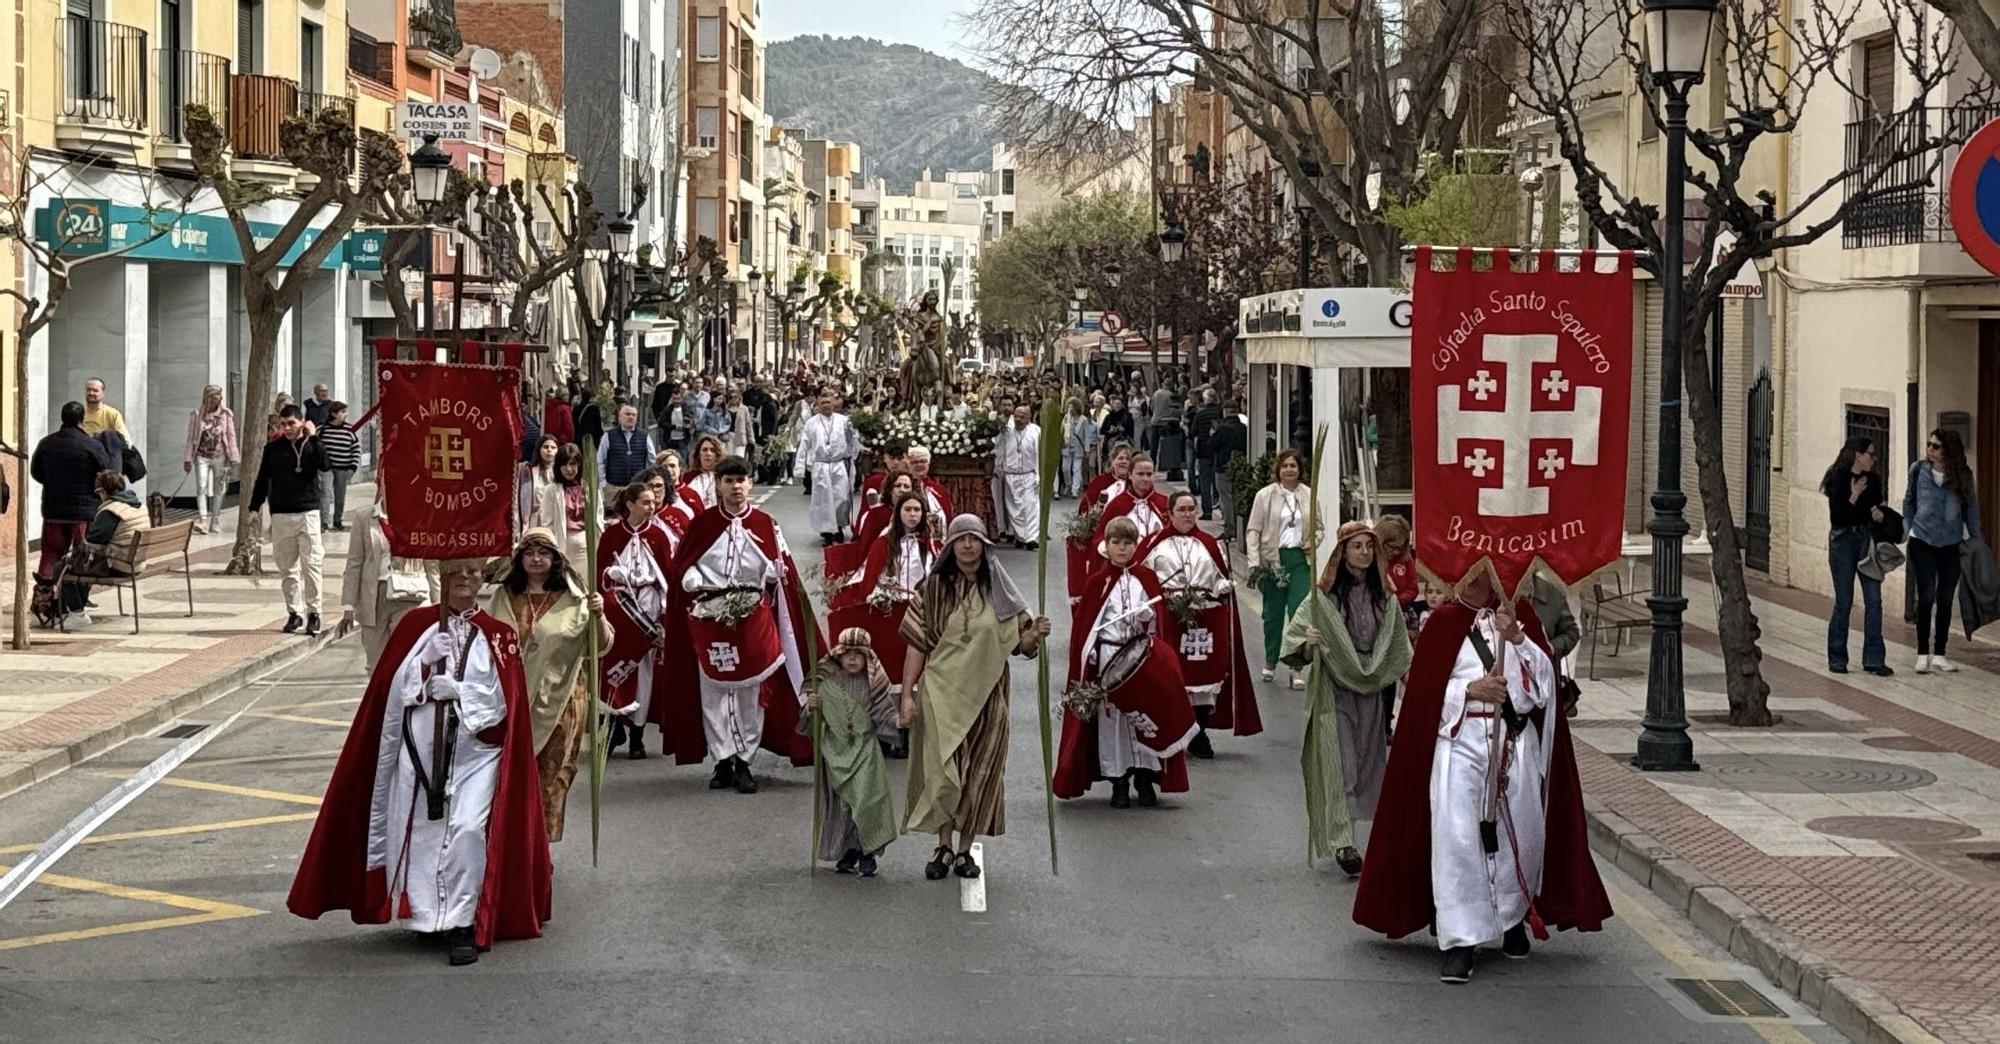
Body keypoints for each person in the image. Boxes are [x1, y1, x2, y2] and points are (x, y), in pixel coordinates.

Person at [287, 557, 553, 967]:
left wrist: (461, 693)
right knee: (424, 834)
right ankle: (431, 916)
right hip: (420, 754)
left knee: (465, 830)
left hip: (477, 756)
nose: (465, 580)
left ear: (483, 577)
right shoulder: (415, 626)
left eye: (472, 573)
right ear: (441, 579)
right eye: (456, 574)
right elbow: (389, 691)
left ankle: (463, 922)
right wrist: (423, 669)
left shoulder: (500, 635)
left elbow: (507, 707)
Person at [1354, 570, 1610, 984]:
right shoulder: (1443, 623)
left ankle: (1512, 919)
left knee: (1519, 838)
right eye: (1466, 575)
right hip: (1459, 746)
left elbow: (1547, 686)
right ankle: (1461, 939)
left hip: (1514, 746)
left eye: (1482, 575)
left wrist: (1519, 640)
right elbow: (1421, 696)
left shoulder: (1520, 616)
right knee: (1458, 841)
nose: (1472, 583)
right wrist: (1469, 691)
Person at [900, 514, 1050, 879]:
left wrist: (1036, 634)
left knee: (979, 772)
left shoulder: (1001, 590)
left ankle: (966, 849)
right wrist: (907, 694)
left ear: (985, 545)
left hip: (988, 695)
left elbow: (1021, 645)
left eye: (974, 539)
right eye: (961, 540)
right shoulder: (932, 588)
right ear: (950, 546)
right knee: (942, 772)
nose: (968, 546)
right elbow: (917, 646)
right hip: (940, 694)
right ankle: (943, 846)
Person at [662, 455, 819, 792]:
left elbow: (779, 570)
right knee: (714, 691)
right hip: (710, 618)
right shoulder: (702, 525)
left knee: (750, 691)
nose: (736, 487)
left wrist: (775, 574)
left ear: (750, 483)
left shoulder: (765, 524)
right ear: (718, 485)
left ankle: (744, 760)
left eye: (741, 480)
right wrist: (692, 579)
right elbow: (685, 567)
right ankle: (721, 760)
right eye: (729, 481)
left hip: (752, 617)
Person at [1282, 521, 1412, 875]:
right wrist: (1307, 644)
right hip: (1334, 689)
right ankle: (1343, 842)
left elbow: (1399, 645)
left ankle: (1369, 835)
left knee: (1370, 761)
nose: (1364, 553)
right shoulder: (1322, 597)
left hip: (1371, 690)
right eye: (1357, 547)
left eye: (1369, 548)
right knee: (1342, 761)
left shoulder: (1384, 597)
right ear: (1343, 552)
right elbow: (1292, 643)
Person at [1056, 516, 1198, 809]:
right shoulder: (1097, 583)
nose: (1122, 549)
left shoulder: (1147, 579)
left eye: (1128, 543)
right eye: (1116, 543)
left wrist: (1149, 623)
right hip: (1109, 660)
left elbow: (1160, 626)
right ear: (1106, 546)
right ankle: (1119, 782)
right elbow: (1086, 629)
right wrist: (1092, 658)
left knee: (1144, 719)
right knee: (1114, 723)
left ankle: (1146, 779)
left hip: (1141, 661)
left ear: (1136, 546)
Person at [485, 527, 611, 841]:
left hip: (560, 703)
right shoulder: (504, 597)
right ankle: (513, 845)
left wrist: (600, 616)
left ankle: (540, 849)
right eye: (529, 553)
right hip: (511, 701)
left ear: (556, 560)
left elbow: (599, 647)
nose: (537, 559)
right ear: (519, 559)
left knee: (551, 777)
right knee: (511, 777)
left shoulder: (576, 599)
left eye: (544, 553)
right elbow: (487, 643)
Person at [1138, 491, 1262, 759]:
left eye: (1191, 509)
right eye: (1181, 509)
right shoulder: (1154, 544)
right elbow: (1141, 579)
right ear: (1169, 513)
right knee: (1174, 677)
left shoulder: (1209, 543)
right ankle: (1178, 731)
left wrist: (1222, 587)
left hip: (1205, 621)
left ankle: (1199, 731)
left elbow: (1218, 576)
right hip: (1171, 620)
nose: (1186, 514)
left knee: (1205, 679)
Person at [830, 488, 936, 760]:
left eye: (917, 510)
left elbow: (937, 579)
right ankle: (887, 730)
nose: (912, 515)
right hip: (890, 614)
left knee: (912, 677)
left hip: (918, 615)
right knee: (889, 678)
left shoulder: (930, 544)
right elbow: (868, 574)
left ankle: (907, 731)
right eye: (907, 510)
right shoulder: (884, 543)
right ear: (898, 513)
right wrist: (876, 597)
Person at [803, 627, 901, 877]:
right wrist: (810, 708)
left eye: (859, 654)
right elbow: (809, 725)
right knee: (843, 805)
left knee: (867, 801)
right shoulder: (825, 684)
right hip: (834, 753)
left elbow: (885, 714)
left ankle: (867, 853)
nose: (853, 659)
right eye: (848, 654)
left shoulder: (875, 683)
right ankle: (848, 851)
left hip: (865, 751)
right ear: (838, 656)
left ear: (868, 658)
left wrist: (902, 722)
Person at [597, 480, 673, 760]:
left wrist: (664, 616)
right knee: (613, 667)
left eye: (654, 502)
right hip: (618, 608)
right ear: (630, 505)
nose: (651, 507)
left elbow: (667, 579)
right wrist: (610, 576)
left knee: (643, 671)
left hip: (648, 608)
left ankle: (638, 735)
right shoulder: (612, 536)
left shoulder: (659, 537)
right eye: (645, 502)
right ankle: (614, 724)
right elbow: (599, 576)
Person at [1904, 428, 1981, 674]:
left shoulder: (1963, 475)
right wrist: (1908, 526)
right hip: (1921, 540)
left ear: (1948, 450)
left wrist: (1975, 538)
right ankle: (1922, 653)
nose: (1930, 449)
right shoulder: (1918, 470)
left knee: (1945, 599)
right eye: (1929, 444)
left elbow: (1970, 507)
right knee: (1926, 596)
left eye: (1935, 446)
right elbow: (1909, 501)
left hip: (1950, 542)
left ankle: (1940, 654)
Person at [249, 404, 327, 636]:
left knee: (311, 564)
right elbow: (263, 478)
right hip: (281, 513)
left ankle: (314, 613)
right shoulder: (273, 448)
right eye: (283, 424)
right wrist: (254, 508)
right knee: (288, 567)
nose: (288, 428)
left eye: (292, 423)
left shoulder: (312, 445)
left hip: (308, 512)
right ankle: (295, 613)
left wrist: (313, 438)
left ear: (302, 422)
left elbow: (325, 464)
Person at [1821, 437, 1889, 676]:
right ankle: (1837, 657)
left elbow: (1877, 510)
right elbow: (1839, 517)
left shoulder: (1874, 480)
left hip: (1866, 541)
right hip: (1843, 541)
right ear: (1857, 455)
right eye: (1870, 454)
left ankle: (1874, 658)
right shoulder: (1838, 478)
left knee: (1874, 600)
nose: (1873, 458)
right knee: (1844, 600)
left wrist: (1880, 515)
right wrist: (1853, 495)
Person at [1247, 449, 1314, 688]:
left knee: (1299, 614)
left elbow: (1320, 527)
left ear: (1299, 470)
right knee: (1273, 615)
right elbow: (1253, 530)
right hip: (1273, 560)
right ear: (1278, 469)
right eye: (1285, 465)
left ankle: (1296, 667)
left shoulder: (1308, 494)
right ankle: (1271, 659)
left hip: (1299, 561)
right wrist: (1254, 563)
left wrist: (1312, 541)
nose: (1289, 470)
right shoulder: (1265, 495)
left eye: (1293, 466)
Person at [30, 401, 115, 584]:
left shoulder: (47, 443)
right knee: (82, 555)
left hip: (54, 511)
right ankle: (76, 599)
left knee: (51, 553)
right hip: (83, 513)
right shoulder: (91, 445)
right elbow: (107, 471)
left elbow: (36, 471)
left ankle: (45, 593)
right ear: (82, 420)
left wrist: (52, 483)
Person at [340, 488, 426, 663]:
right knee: (375, 662)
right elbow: (354, 563)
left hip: (409, 594)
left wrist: (437, 605)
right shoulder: (364, 517)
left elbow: (431, 564)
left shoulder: (418, 515)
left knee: (404, 660)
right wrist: (348, 606)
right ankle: (379, 691)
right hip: (373, 597)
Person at [798, 390, 861, 544]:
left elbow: (853, 439)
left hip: (838, 464)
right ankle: (827, 531)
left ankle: (838, 527)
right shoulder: (811, 423)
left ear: (834, 405)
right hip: (820, 465)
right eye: (823, 403)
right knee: (823, 500)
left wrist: (853, 454)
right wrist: (800, 467)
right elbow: (804, 444)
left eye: (829, 403)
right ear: (818, 405)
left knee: (841, 497)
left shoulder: (844, 421)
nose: (826, 406)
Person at [181, 384, 240, 535]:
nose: (216, 401)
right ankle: (203, 519)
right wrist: (188, 458)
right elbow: (190, 438)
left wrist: (234, 457)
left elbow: (231, 436)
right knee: (201, 486)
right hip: (201, 455)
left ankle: (215, 520)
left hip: (220, 456)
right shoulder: (196, 415)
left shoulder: (226, 415)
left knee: (219, 489)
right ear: (206, 398)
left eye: (218, 398)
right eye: (213, 398)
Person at [1091, 452, 1169, 552]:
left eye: (1149, 474)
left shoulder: (1163, 502)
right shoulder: (1118, 504)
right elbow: (1101, 536)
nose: (1145, 478)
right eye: (1140, 474)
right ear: (1130, 475)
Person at [995, 403, 1043, 549]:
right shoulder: (1006, 431)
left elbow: (1040, 455)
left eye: (1022, 417)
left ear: (1029, 417)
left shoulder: (1036, 432)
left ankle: (1031, 538)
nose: (1018, 419)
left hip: (1029, 474)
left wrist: (1039, 474)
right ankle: (1020, 536)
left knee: (1031, 505)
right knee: (1014, 508)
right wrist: (998, 468)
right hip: (1011, 475)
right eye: (1016, 416)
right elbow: (1000, 450)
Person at [318, 402, 359, 531]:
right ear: (334, 414)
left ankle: (337, 520)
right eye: (342, 412)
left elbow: (356, 449)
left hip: (343, 468)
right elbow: (316, 447)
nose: (345, 414)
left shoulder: (350, 429)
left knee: (340, 495)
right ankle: (324, 521)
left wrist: (353, 467)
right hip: (327, 468)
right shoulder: (323, 430)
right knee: (326, 493)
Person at [597, 404, 655, 494]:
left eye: (634, 415)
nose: (631, 417)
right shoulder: (609, 436)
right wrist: (603, 483)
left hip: (637, 488)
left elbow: (652, 461)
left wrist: (648, 482)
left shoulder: (644, 436)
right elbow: (600, 461)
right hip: (614, 487)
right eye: (627, 414)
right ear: (620, 417)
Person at [1208, 405, 1247, 540]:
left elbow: (1211, 445)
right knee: (1236, 497)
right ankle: (1239, 527)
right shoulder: (1244, 428)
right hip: (1240, 466)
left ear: (1225, 412)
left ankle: (1230, 528)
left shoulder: (1223, 429)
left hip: (1223, 466)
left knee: (1226, 498)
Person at [552, 443, 590, 577]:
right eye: (564, 465)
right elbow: (547, 523)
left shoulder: (589, 488)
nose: (569, 469)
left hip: (586, 547)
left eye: (573, 464)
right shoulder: (552, 490)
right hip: (563, 545)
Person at [517, 434, 565, 536]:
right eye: (546, 447)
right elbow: (520, 501)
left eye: (553, 447)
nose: (549, 450)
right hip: (533, 522)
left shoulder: (562, 474)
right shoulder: (528, 472)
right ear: (539, 449)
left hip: (554, 521)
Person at [905, 445, 956, 523]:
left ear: (928, 464)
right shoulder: (904, 486)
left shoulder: (939, 490)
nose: (919, 465)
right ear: (908, 465)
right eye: (914, 462)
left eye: (923, 461)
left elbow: (948, 516)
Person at [1059, 400, 1097, 500]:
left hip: (1078, 447)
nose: (1069, 409)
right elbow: (1062, 431)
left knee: (1076, 469)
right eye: (1068, 407)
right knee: (1065, 468)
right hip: (1066, 446)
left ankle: (1075, 490)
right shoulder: (1066, 418)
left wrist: (1087, 449)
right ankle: (1068, 484)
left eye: (1071, 407)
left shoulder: (1083, 419)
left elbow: (1086, 435)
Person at [680, 434, 724, 512]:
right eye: (705, 450)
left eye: (712, 450)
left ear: (717, 455)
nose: (708, 453)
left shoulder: (724, 477)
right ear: (699, 454)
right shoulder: (688, 478)